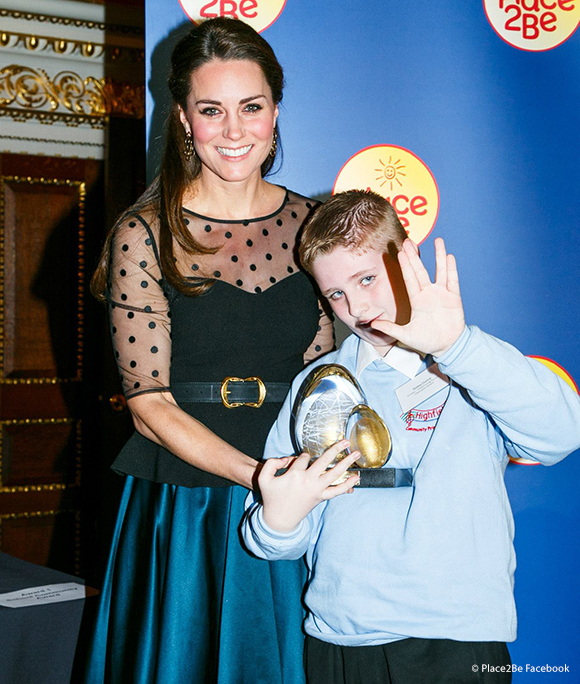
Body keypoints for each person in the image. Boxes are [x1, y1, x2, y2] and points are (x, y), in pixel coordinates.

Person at [82, 17, 333, 684]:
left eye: (251, 108)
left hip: (303, 489)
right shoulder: (144, 233)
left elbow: (328, 374)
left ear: (275, 111)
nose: (233, 130)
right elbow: (149, 406)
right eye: (211, 110)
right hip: (190, 504)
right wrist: (258, 480)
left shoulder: (315, 226)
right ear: (184, 118)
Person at [242, 190, 580, 684]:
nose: (355, 307)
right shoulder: (315, 385)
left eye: (366, 279)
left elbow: (561, 434)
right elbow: (272, 538)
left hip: (457, 639)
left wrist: (457, 346)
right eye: (335, 294)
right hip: (341, 640)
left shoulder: (474, 365)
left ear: (408, 259)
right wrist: (279, 516)